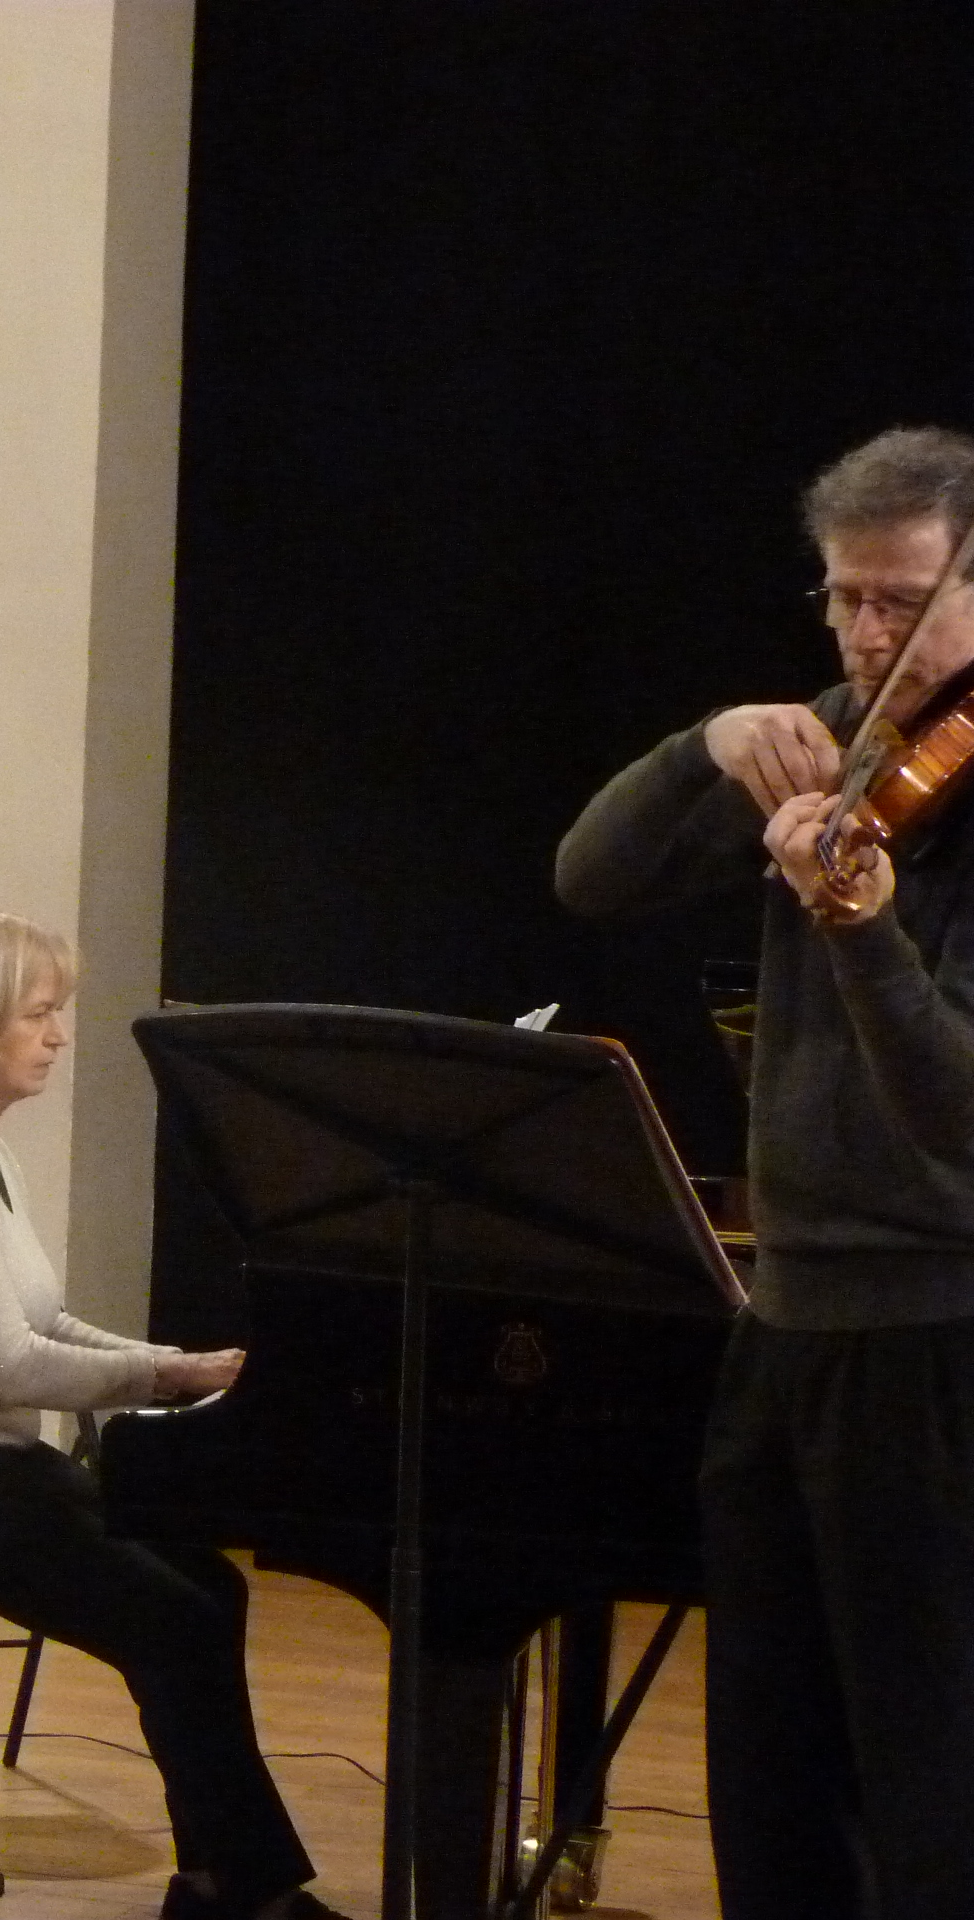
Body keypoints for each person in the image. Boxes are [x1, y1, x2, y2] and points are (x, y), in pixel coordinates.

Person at [556, 426, 974, 1920]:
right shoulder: (829, 737)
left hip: (936, 1337)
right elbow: (591, 878)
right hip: (783, 1321)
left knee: (929, 1769)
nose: (864, 635)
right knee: (771, 1765)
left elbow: (955, 1113)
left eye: (899, 602)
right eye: (842, 598)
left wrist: (858, 927)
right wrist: (707, 744)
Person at [0, 908, 348, 1920]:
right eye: (38, 1014)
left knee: (208, 1587)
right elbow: (9, 1363)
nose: (57, 1036)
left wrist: (182, 1365)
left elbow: (41, 1319)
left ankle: (215, 1879)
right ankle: (250, 1896)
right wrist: (165, 1380)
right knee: (170, 1622)